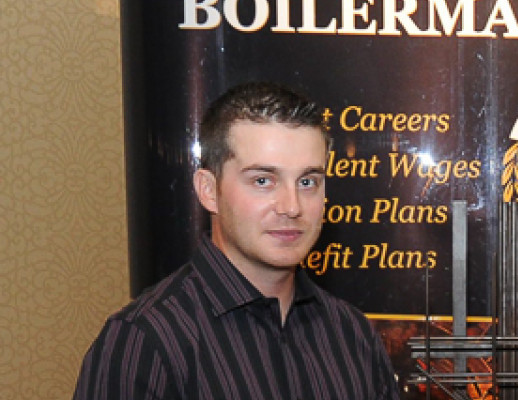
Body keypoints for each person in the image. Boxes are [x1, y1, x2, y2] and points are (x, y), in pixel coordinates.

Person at [73, 82, 400, 399]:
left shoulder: (353, 334)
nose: (292, 207)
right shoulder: (146, 340)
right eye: (263, 181)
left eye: (307, 182)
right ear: (208, 191)